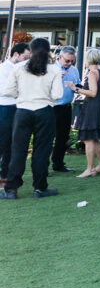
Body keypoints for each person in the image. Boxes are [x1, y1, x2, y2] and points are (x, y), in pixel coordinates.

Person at [0, 38, 63, 199]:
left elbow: (7, 91)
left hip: (22, 112)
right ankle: (40, 188)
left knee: (18, 151)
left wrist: (21, 96)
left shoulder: (19, 67)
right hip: (45, 112)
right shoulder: (54, 69)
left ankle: (11, 189)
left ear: (31, 49)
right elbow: (57, 95)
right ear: (48, 51)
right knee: (41, 151)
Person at [71, 48, 100, 179]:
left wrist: (76, 89)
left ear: (88, 59)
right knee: (95, 137)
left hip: (92, 107)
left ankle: (90, 169)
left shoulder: (92, 73)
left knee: (88, 138)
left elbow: (92, 92)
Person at [0, 42, 31, 186]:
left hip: (18, 108)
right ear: (16, 55)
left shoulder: (22, 69)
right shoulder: (3, 69)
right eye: (25, 57)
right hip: (5, 109)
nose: (27, 60)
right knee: (3, 142)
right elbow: (4, 91)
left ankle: (5, 175)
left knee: (13, 144)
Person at [51, 47, 79, 173]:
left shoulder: (74, 70)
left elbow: (78, 84)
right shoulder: (51, 68)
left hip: (67, 107)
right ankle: (42, 167)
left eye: (72, 61)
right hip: (52, 107)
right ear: (60, 57)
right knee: (48, 137)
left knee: (63, 137)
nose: (69, 64)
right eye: (67, 61)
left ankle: (58, 164)